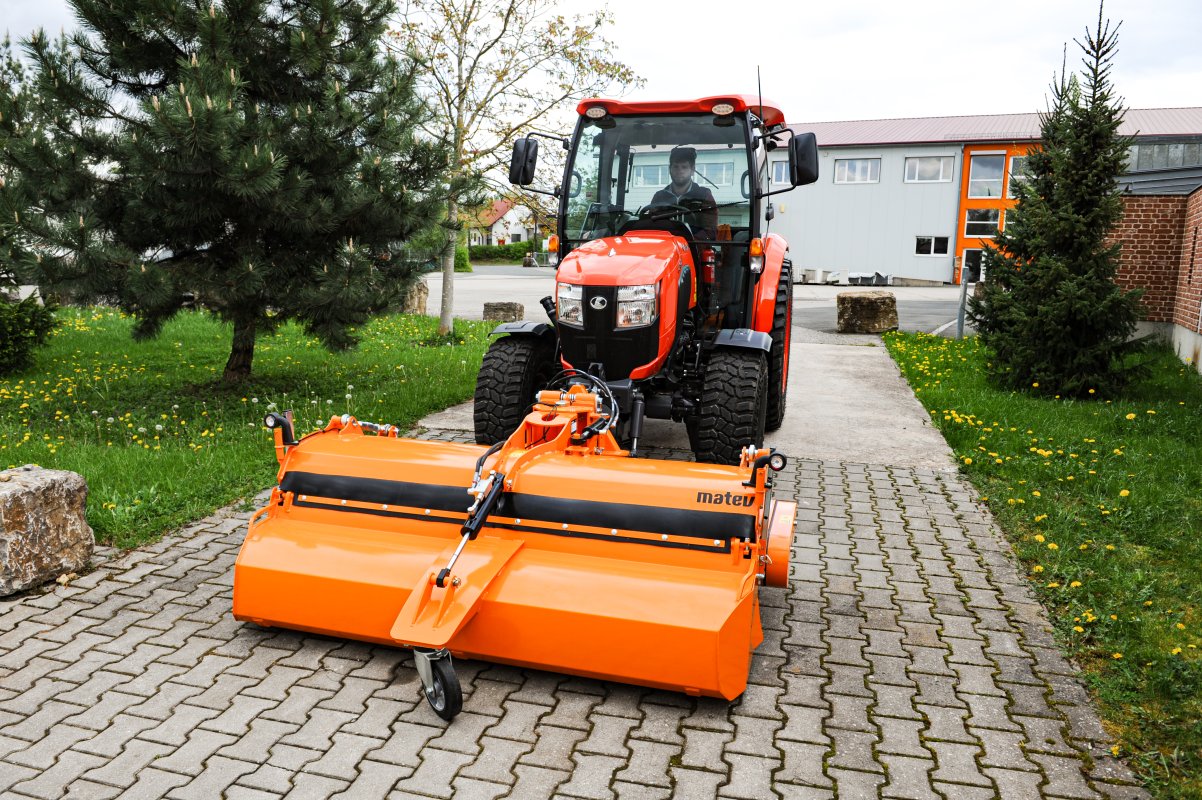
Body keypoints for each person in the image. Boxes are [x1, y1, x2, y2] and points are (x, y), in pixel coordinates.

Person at [649, 146, 718, 238]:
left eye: (684, 167)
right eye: (676, 166)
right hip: (665, 249)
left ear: (692, 170)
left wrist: (687, 244)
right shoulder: (659, 197)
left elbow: (710, 231)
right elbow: (651, 227)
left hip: (693, 249)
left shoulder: (704, 195)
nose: (679, 171)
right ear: (670, 169)